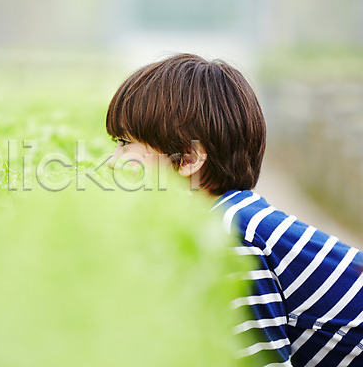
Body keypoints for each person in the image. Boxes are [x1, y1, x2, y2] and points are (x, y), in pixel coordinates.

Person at [105, 53, 363, 366]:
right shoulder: (235, 219)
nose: (113, 161)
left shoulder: (228, 239)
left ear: (188, 159)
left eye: (125, 143)